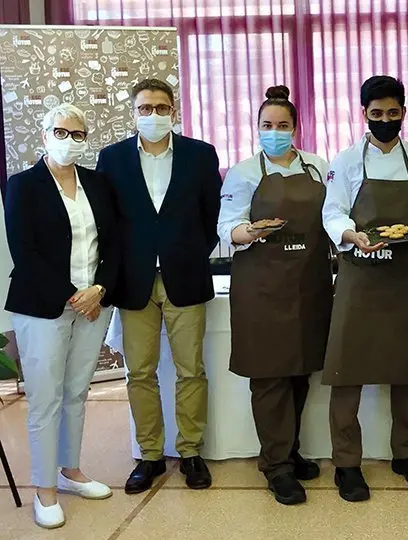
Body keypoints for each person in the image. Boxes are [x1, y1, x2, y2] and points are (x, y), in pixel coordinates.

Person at [96, 78, 222, 494]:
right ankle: (149, 454)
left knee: (191, 371)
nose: (153, 115)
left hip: (184, 275)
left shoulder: (200, 155)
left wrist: (184, 251)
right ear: (133, 113)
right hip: (134, 282)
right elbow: (108, 221)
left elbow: (211, 217)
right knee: (140, 372)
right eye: (145, 108)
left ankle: (190, 452)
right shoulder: (111, 159)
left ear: (174, 110)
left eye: (161, 107)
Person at [321, 75, 408, 502]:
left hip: (404, 273)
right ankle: (346, 463)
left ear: (404, 113)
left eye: (393, 113)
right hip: (360, 274)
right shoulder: (348, 160)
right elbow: (332, 211)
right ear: (364, 115)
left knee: (407, 367)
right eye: (377, 114)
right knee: (346, 370)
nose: (385, 120)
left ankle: (407, 455)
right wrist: (350, 235)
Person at [4, 104, 119, 528]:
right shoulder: (22, 185)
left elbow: (115, 242)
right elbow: (25, 252)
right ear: (45, 134)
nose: (69, 140)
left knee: (75, 392)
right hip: (43, 307)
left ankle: (69, 471)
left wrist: (99, 289)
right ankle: (44, 489)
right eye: (61, 131)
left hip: (94, 302)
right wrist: (74, 296)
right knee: (45, 399)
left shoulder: (97, 183)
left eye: (78, 133)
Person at [217, 86, 332, 505]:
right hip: (262, 287)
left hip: (310, 284)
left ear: (296, 128)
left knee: (301, 371)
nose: (275, 132)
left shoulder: (319, 167)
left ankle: (290, 449)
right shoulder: (243, 172)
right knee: (270, 377)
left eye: (283, 126)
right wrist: (250, 231)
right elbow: (226, 227)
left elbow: (333, 216)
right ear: (257, 129)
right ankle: (276, 465)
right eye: (268, 126)